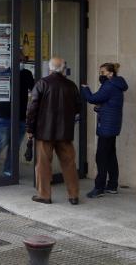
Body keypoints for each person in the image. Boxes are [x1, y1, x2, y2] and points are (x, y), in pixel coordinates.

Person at [26, 57, 81, 205]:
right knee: (69, 164)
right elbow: (78, 108)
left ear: (49, 68)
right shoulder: (71, 85)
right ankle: (74, 196)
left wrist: (30, 129)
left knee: (43, 165)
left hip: (45, 132)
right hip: (65, 133)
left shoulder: (42, 83)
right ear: (63, 69)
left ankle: (44, 195)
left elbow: (32, 109)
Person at [81, 63, 128, 198]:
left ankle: (99, 188)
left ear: (110, 73)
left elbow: (92, 98)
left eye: (102, 72)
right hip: (112, 125)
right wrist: (100, 108)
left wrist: (85, 89)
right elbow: (110, 104)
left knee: (101, 157)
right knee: (111, 155)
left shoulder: (109, 85)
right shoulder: (117, 85)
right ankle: (112, 185)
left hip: (107, 127)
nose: (100, 75)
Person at [0, 52, 35, 176]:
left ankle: (8, 171)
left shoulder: (26, 74)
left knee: (14, 146)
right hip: (3, 115)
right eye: (19, 60)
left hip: (20, 116)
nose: (22, 62)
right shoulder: (4, 73)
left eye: (23, 60)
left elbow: (35, 89)